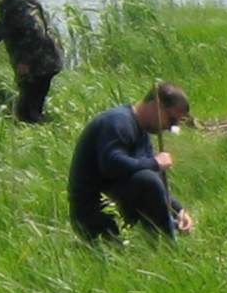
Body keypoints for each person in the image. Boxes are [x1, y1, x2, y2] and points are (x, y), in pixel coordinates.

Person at [68, 82, 194, 241]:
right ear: (155, 104)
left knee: (151, 178)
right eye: (171, 119)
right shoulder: (118, 122)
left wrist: (178, 210)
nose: (170, 127)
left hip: (116, 206)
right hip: (94, 213)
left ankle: (163, 236)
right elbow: (111, 164)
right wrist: (154, 163)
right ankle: (166, 243)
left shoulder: (141, 131)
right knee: (148, 180)